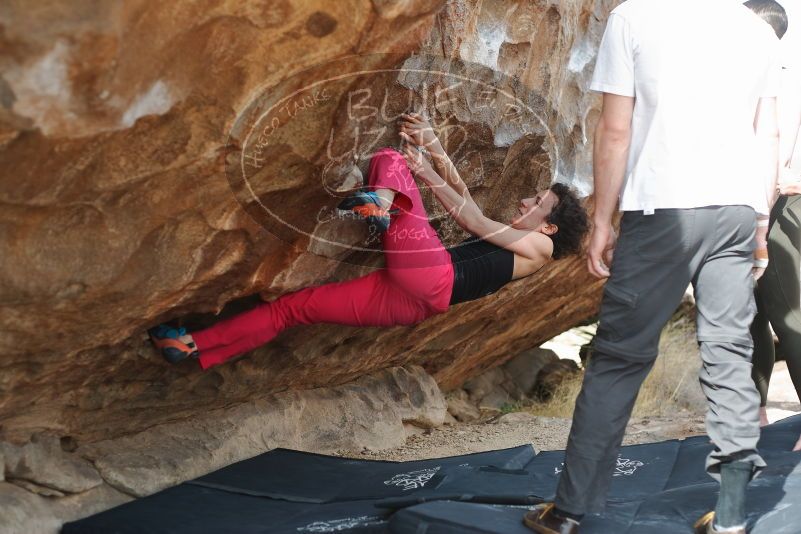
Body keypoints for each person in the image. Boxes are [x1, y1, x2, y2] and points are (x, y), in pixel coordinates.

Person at [522, 1, 782, 534]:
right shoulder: (757, 30)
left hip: (662, 209)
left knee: (619, 359)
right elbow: (767, 137)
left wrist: (600, 221)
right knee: (730, 360)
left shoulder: (634, 17)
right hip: (734, 210)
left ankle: (568, 513)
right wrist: (758, 224)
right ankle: (731, 519)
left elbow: (615, 131)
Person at [148, 114, 589, 370]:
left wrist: (419, 167)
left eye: (538, 202)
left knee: (390, 159)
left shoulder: (542, 250)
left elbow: (471, 217)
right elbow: (468, 199)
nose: (526, 200)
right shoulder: (523, 242)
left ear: (549, 227)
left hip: (432, 277)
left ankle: (381, 204)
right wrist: (434, 150)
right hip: (414, 302)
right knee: (291, 309)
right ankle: (191, 347)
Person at [747, 0, 801, 452]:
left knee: (791, 316)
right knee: (747, 317)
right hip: (742, 207)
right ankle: (755, 413)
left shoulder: (784, 78)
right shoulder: (746, 79)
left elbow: (778, 147)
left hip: (782, 206)